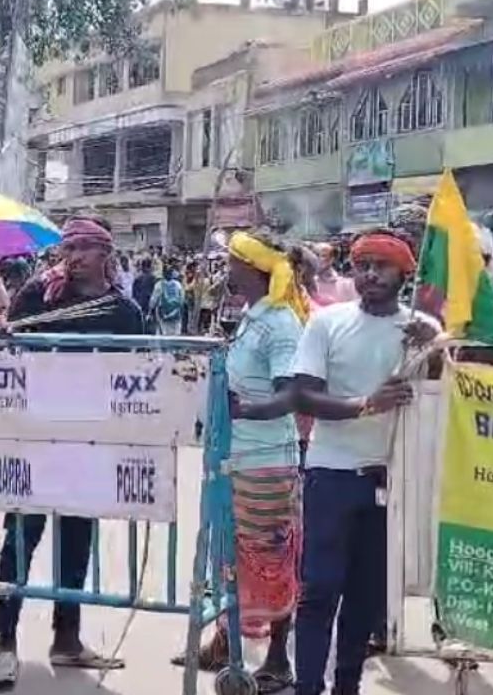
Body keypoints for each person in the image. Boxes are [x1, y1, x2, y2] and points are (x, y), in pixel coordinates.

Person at [0, 218, 144, 689]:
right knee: (20, 537)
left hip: (90, 442)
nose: (72, 257)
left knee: (77, 540)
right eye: (67, 248)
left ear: (105, 254)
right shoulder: (38, 297)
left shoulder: (124, 310)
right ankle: (5, 641)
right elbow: (9, 351)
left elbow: (140, 375)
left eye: (83, 248)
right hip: (34, 437)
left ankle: (67, 638)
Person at [290, 230, 438, 695]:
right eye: (362, 264)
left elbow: (438, 394)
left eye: (382, 265)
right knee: (318, 590)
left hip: (390, 477)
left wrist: (433, 347)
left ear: (404, 273)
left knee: (364, 595)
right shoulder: (327, 323)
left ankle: (347, 686)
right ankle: (307, 685)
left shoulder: (420, 329)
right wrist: (365, 405)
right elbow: (303, 393)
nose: (370, 274)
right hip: (330, 473)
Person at [171, 231, 307, 693]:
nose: (225, 269)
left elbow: (292, 393)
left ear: (254, 268)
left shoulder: (281, 323)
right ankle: (225, 644)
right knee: (232, 558)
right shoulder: (253, 315)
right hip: (236, 457)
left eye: (231, 262)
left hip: (267, 460)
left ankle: (276, 658)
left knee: (271, 559)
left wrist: (242, 409)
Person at [311, 243, 358, 307]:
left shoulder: (347, 284)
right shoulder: (306, 284)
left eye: (322, 255)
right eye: (314, 255)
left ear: (332, 259)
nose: (317, 259)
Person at [150, 265, 186, 336]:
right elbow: (182, 299)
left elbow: (153, 301)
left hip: (163, 315)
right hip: (176, 315)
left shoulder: (159, 285)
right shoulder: (178, 284)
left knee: (164, 334)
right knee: (175, 335)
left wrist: (150, 310)